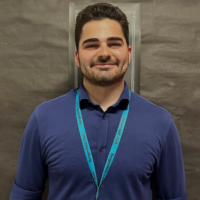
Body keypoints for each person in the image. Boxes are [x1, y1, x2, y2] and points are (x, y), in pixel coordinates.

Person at [10, 3, 187, 200]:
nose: (104, 53)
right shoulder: (43, 118)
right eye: (92, 45)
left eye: (114, 44)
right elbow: (23, 195)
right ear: (77, 56)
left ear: (128, 53)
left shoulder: (161, 123)